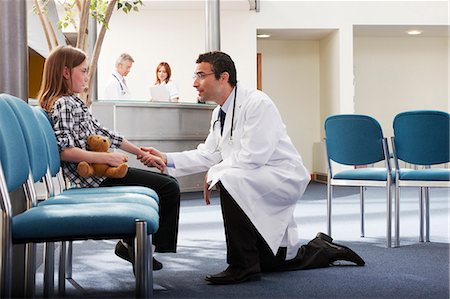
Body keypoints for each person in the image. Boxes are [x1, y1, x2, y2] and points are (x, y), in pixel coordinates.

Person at [141, 51, 365, 284]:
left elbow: (253, 156)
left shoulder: (257, 103)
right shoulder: (219, 112)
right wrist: (166, 158)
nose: (194, 83)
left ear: (223, 77)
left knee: (229, 178)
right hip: (255, 177)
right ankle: (323, 248)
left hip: (280, 176)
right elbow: (208, 153)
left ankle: (242, 266)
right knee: (272, 262)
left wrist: (216, 172)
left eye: (200, 75)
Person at [38, 45, 180, 271]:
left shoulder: (74, 102)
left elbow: (106, 134)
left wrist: (141, 153)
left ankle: (133, 247)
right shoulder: (64, 103)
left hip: (99, 174)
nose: (87, 76)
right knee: (168, 188)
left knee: (169, 185)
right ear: (66, 72)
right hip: (93, 179)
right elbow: (64, 151)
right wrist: (109, 159)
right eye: (83, 71)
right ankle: (140, 251)